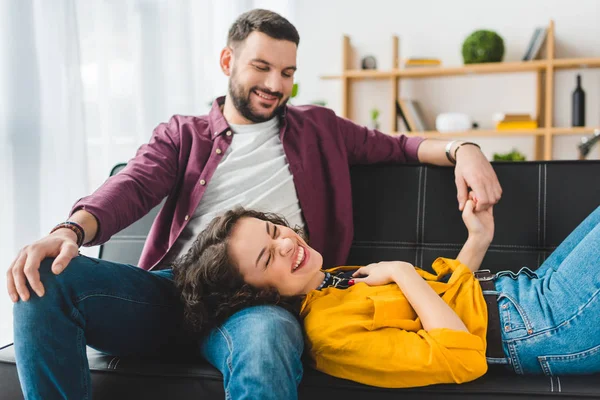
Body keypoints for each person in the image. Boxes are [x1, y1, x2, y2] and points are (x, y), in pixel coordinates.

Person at [7, 8, 501, 400]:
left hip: (264, 300)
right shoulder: (184, 134)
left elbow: (398, 146)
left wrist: (465, 149)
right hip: (176, 293)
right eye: (261, 67)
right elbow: (134, 184)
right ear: (229, 62)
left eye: (286, 72)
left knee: (265, 345)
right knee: (46, 273)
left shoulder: (319, 128)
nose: (274, 85)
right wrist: (70, 230)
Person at [172, 202, 600, 388]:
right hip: (544, 325)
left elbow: (446, 302)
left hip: (529, 292)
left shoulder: (330, 280)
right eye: (268, 260)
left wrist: (478, 237)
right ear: (257, 297)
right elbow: (462, 356)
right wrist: (400, 271)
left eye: (273, 231)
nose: (286, 243)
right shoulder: (330, 334)